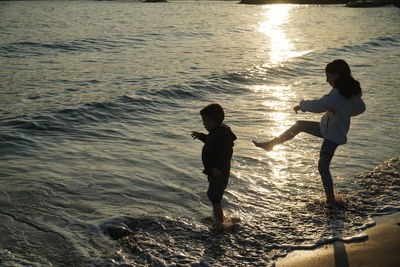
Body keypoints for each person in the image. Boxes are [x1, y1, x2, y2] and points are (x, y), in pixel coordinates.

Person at [253, 59, 366, 205]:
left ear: (337, 75)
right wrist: (342, 112)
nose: (326, 80)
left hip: (333, 135)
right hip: (327, 128)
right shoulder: (350, 91)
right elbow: (360, 107)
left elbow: (320, 105)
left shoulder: (338, 94)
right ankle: (271, 144)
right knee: (299, 125)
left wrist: (302, 104)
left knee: (322, 166)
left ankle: (331, 200)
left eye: (328, 76)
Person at [191, 103, 237, 224]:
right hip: (214, 171)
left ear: (213, 121)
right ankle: (219, 219)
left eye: (205, 121)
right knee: (213, 195)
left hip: (218, 172)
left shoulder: (221, 134)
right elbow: (211, 141)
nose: (203, 124)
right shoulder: (217, 132)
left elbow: (226, 154)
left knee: (214, 196)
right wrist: (201, 136)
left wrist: (216, 167)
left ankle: (220, 223)